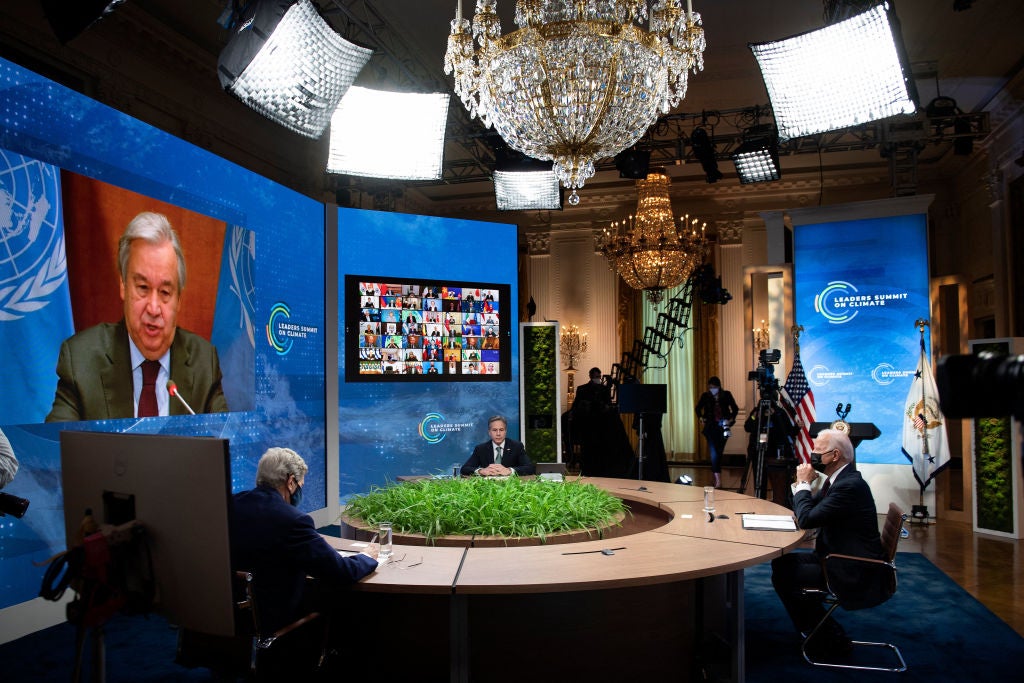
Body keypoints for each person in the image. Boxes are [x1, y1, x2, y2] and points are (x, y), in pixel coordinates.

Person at [46, 212, 228, 421]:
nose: (153, 308)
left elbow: (227, 444)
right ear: (123, 285)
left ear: (179, 299)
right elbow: (55, 447)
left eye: (165, 292)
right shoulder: (80, 361)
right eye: (142, 287)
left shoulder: (204, 364)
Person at [230, 447, 378, 636]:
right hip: (276, 622)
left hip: (233, 620)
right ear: (290, 482)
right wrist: (366, 556)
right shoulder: (293, 520)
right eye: (301, 485)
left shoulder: (232, 504)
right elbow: (341, 572)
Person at [770, 429, 884, 660]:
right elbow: (807, 508)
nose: (811, 456)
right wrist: (803, 487)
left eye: (817, 452)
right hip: (834, 554)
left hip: (852, 567)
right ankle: (817, 628)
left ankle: (829, 637)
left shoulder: (849, 486)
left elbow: (807, 518)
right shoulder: (838, 480)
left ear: (835, 455)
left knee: (786, 574)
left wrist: (802, 483)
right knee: (782, 563)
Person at [695, 376, 738, 488]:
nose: (712, 389)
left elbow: (735, 408)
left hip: (723, 426)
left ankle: (715, 475)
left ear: (719, 387)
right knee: (714, 453)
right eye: (710, 387)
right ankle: (718, 480)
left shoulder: (727, 395)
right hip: (710, 427)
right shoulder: (705, 396)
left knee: (719, 452)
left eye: (714, 387)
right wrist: (701, 418)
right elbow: (698, 408)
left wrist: (731, 418)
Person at [461, 415, 535, 476]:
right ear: (489, 432)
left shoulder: (517, 446)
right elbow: (465, 469)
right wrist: (481, 471)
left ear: (506, 431)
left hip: (511, 488)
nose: (498, 434)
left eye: (501, 430)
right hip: (488, 487)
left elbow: (530, 468)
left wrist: (509, 471)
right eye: (494, 430)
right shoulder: (481, 449)